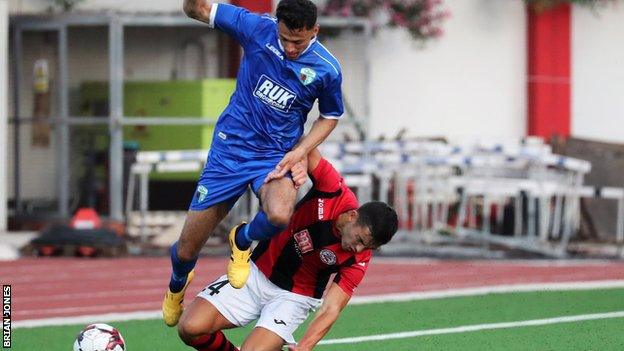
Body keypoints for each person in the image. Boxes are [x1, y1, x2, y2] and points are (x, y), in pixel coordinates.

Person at [163, 0, 345, 327]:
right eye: (285, 38)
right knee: (187, 249)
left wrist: (301, 150)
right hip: (230, 151)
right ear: (276, 25)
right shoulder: (256, 28)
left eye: (298, 42)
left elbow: (330, 117)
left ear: (315, 31)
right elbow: (197, 9)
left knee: (279, 213)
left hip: (275, 157)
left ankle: (242, 239)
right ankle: (177, 283)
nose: (290, 47)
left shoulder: (326, 68)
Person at [176, 149, 399, 351]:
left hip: (294, 298)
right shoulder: (334, 190)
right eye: (360, 239)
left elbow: (331, 309)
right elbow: (306, 147)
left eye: (367, 247)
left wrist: (304, 347)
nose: (358, 248)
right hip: (255, 272)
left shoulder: (359, 257)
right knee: (190, 327)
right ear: (352, 216)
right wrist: (299, 158)